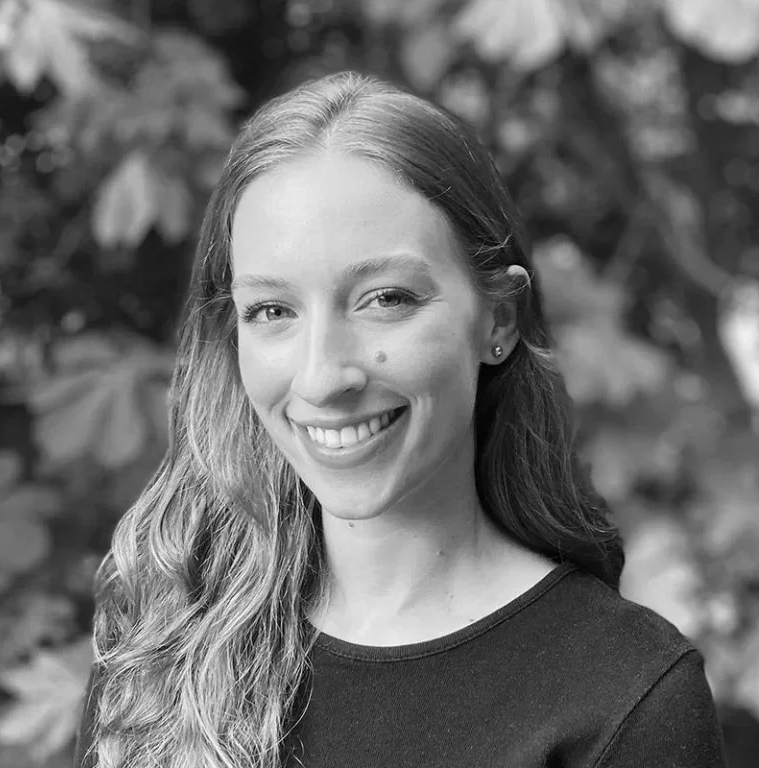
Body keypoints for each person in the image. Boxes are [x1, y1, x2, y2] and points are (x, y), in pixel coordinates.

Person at [73, 70, 727, 768]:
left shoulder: (627, 698)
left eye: (385, 298)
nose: (324, 377)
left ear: (496, 318)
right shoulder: (164, 637)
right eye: (272, 311)